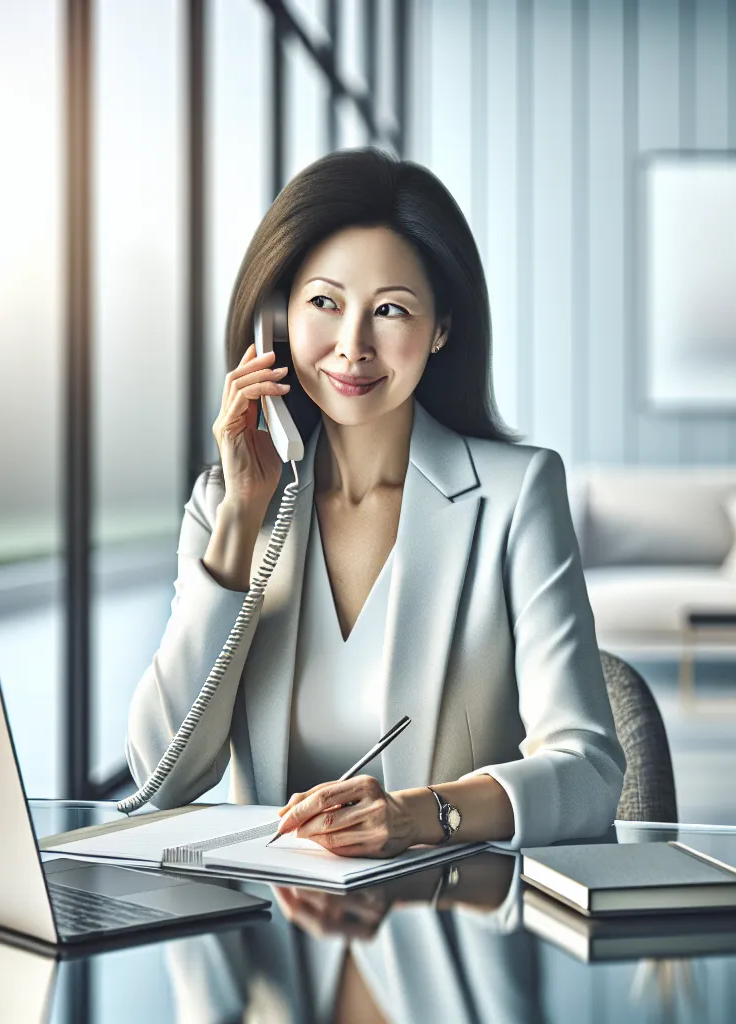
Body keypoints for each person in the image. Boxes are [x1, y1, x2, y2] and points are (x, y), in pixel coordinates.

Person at [126, 147, 624, 859]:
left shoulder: (517, 497)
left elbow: (592, 772)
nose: (352, 346)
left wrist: (421, 815)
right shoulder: (227, 505)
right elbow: (161, 776)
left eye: (390, 311)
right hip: (277, 940)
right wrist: (241, 517)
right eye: (324, 303)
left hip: (451, 930)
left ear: (441, 329)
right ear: (278, 320)